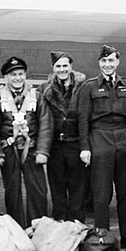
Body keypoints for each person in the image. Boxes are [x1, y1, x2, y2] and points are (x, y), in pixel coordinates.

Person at [77, 45, 126, 251]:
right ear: (99, 63)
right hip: (100, 138)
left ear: (117, 62)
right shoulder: (89, 87)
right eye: (104, 61)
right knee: (102, 194)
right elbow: (83, 119)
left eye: (111, 61)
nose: (107, 65)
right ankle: (102, 237)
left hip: (124, 141)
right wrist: (85, 147)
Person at [0, 56, 52, 229]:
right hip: (9, 151)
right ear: (6, 78)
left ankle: (38, 228)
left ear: (25, 75)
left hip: (32, 151)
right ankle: (17, 229)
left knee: (38, 192)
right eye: (13, 74)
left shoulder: (37, 97)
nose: (17, 78)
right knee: (12, 192)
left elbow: (46, 124)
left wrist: (42, 152)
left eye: (21, 74)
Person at [38, 51, 88, 222]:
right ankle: (59, 224)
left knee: (77, 190)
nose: (62, 69)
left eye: (65, 66)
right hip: (55, 146)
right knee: (57, 188)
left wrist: (86, 146)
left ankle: (77, 225)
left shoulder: (83, 87)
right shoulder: (44, 89)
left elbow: (86, 118)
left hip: (75, 144)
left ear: (71, 67)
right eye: (58, 66)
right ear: (53, 68)